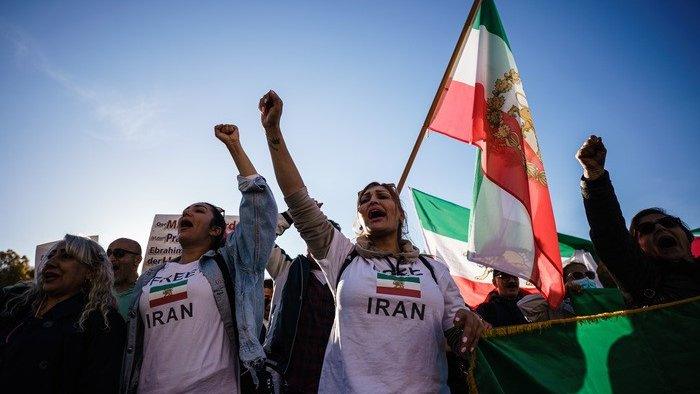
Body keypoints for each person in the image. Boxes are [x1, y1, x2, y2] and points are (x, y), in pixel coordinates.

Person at [258, 90, 488, 393]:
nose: (372, 201)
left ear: (399, 213)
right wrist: (273, 133)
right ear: (360, 218)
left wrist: (469, 324)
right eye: (365, 200)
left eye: (382, 196)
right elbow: (298, 201)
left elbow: (456, 332)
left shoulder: (434, 271)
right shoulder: (342, 256)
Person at [120, 124, 278, 394]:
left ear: (216, 230)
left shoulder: (232, 263)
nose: (187, 212)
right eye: (185, 211)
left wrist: (234, 147)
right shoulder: (150, 277)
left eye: (198, 210)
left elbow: (259, 208)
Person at [576, 135, 700, 307]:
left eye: (668, 223)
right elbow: (611, 233)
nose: (659, 228)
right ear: (637, 246)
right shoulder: (644, 279)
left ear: (687, 236)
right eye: (647, 229)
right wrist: (595, 178)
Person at [0, 234, 126, 393]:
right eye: (49, 257)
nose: (50, 262)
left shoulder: (103, 321)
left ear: (91, 272)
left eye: (66, 257)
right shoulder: (15, 303)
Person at [264, 214, 340, 393]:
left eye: (324, 236)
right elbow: (259, 239)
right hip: (286, 374)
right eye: (312, 234)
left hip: (329, 377)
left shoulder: (348, 278)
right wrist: (289, 216)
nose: (317, 240)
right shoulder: (286, 268)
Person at [108, 238, 142, 320]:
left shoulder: (144, 296)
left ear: (137, 260)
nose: (110, 259)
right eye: (108, 254)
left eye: (119, 253)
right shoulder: (96, 295)